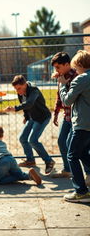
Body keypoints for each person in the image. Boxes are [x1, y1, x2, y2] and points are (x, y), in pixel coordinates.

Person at [50, 52, 90, 183]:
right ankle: (69, 170)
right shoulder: (65, 76)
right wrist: (56, 112)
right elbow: (59, 97)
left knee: (73, 153)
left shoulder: (79, 77)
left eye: (58, 67)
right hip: (70, 117)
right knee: (67, 144)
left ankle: (81, 188)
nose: (56, 70)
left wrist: (62, 85)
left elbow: (68, 100)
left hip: (80, 119)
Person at [4, 75, 55, 174]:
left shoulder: (33, 90)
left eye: (19, 88)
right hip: (32, 117)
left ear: (25, 84)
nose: (17, 91)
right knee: (22, 138)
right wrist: (26, 117)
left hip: (42, 117)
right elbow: (25, 106)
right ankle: (30, 160)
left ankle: (49, 161)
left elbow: (29, 103)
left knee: (33, 140)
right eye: (15, 89)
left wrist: (14, 108)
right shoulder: (20, 92)